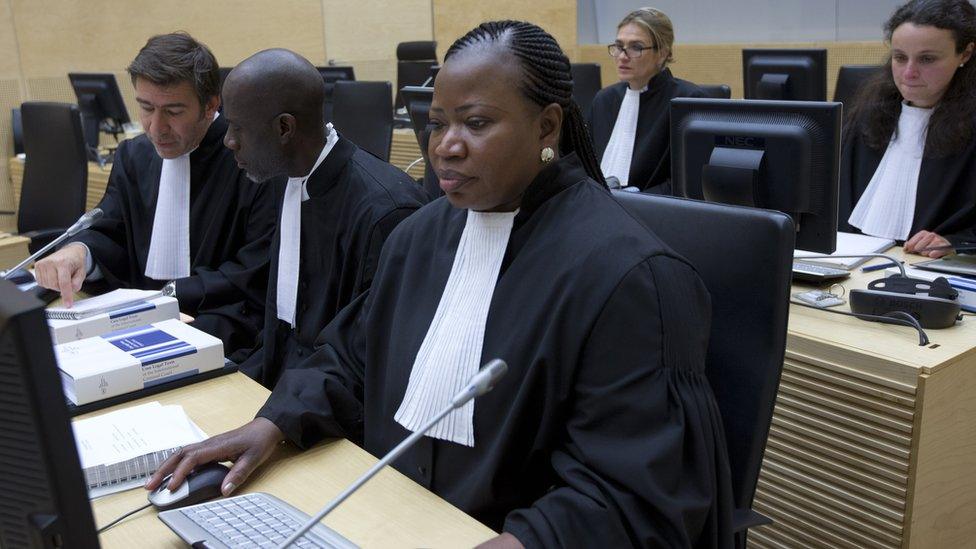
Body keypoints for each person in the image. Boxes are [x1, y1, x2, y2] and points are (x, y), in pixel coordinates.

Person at [149, 21, 733, 548]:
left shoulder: (631, 277)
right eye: (436, 123)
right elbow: (352, 358)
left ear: (546, 126)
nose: (444, 145)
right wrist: (271, 425)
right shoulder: (421, 235)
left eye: (475, 123)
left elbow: (630, 495)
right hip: (393, 515)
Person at [33, 32, 277, 353]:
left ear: (211, 105)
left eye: (173, 111)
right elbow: (112, 232)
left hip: (224, 324)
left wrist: (170, 297)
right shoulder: (133, 155)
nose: (155, 128)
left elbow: (254, 271)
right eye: (146, 107)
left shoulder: (252, 162)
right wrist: (80, 253)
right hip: (141, 319)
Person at [222, 49, 428, 388]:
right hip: (288, 391)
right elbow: (283, 334)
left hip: (337, 414)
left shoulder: (386, 211)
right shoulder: (284, 179)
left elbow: (368, 362)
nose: (229, 141)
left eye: (237, 127)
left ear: (284, 128)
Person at [841, 0, 976, 258]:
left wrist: (956, 242)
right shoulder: (869, 114)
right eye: (900, 57)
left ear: (966, 54)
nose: (909, 73)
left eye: (927, 59)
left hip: (935, 272)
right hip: (856, 263)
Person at [587, 7, 703, 193]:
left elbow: (687, 184)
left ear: (663, 53)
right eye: (619, 46)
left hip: (653, 214)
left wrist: (636, 199)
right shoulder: (604, 100)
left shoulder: (687, 102)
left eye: (636, 47)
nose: (623, 56)